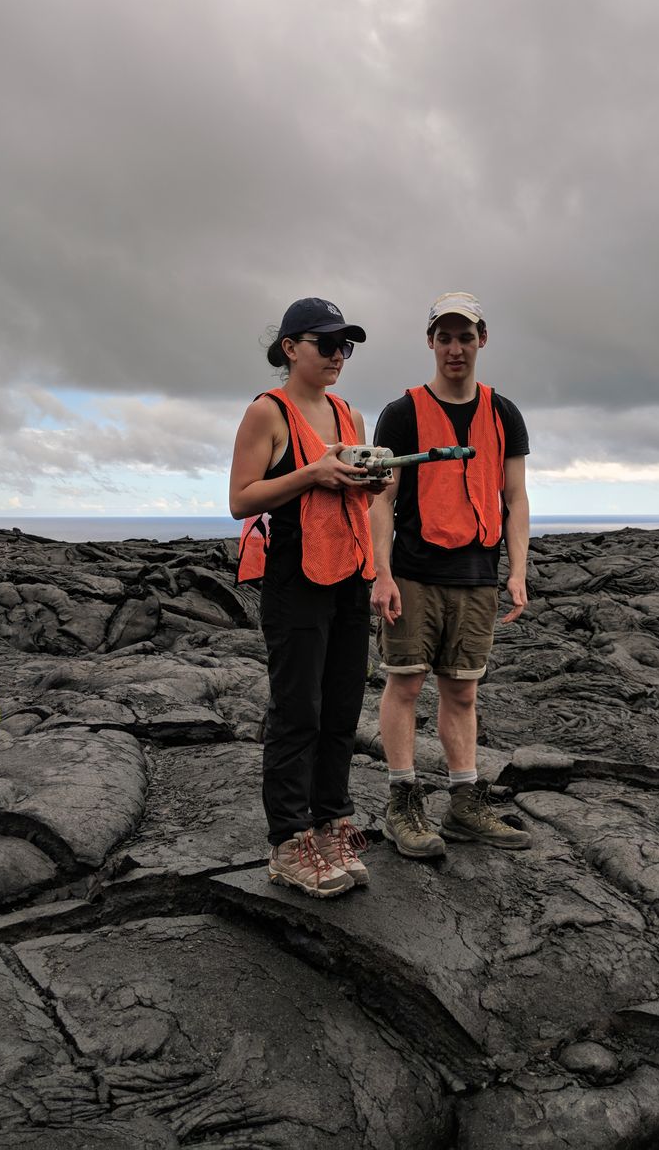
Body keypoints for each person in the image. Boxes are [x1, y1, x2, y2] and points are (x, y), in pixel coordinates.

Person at [369, 291, 533, 858]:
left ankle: (464, 803)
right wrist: (382, 574)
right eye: (445, 338)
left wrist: (518, 570)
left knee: (462, 690)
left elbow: (515, 496)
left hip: (477, 574)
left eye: (465, 337)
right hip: (414, 571)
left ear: (481, 340)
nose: (455, 348)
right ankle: (402, 802)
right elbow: (382, 499)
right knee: (405, 682)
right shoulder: (402, 413)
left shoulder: (504, 413)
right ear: (431, 342)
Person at [230, 297, 383, 898]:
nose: (338, 356)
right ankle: (288, 842)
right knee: (298, 711)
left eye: (346, 346)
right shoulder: (267, 412)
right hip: (294, 577)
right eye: (326, 344)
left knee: (342, 707)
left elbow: (357, 496)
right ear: (291, 348)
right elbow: (241, 498)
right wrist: (313, 473)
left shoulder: (349, 414)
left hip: (349, 573)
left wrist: (371, 481)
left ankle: (330, 824)